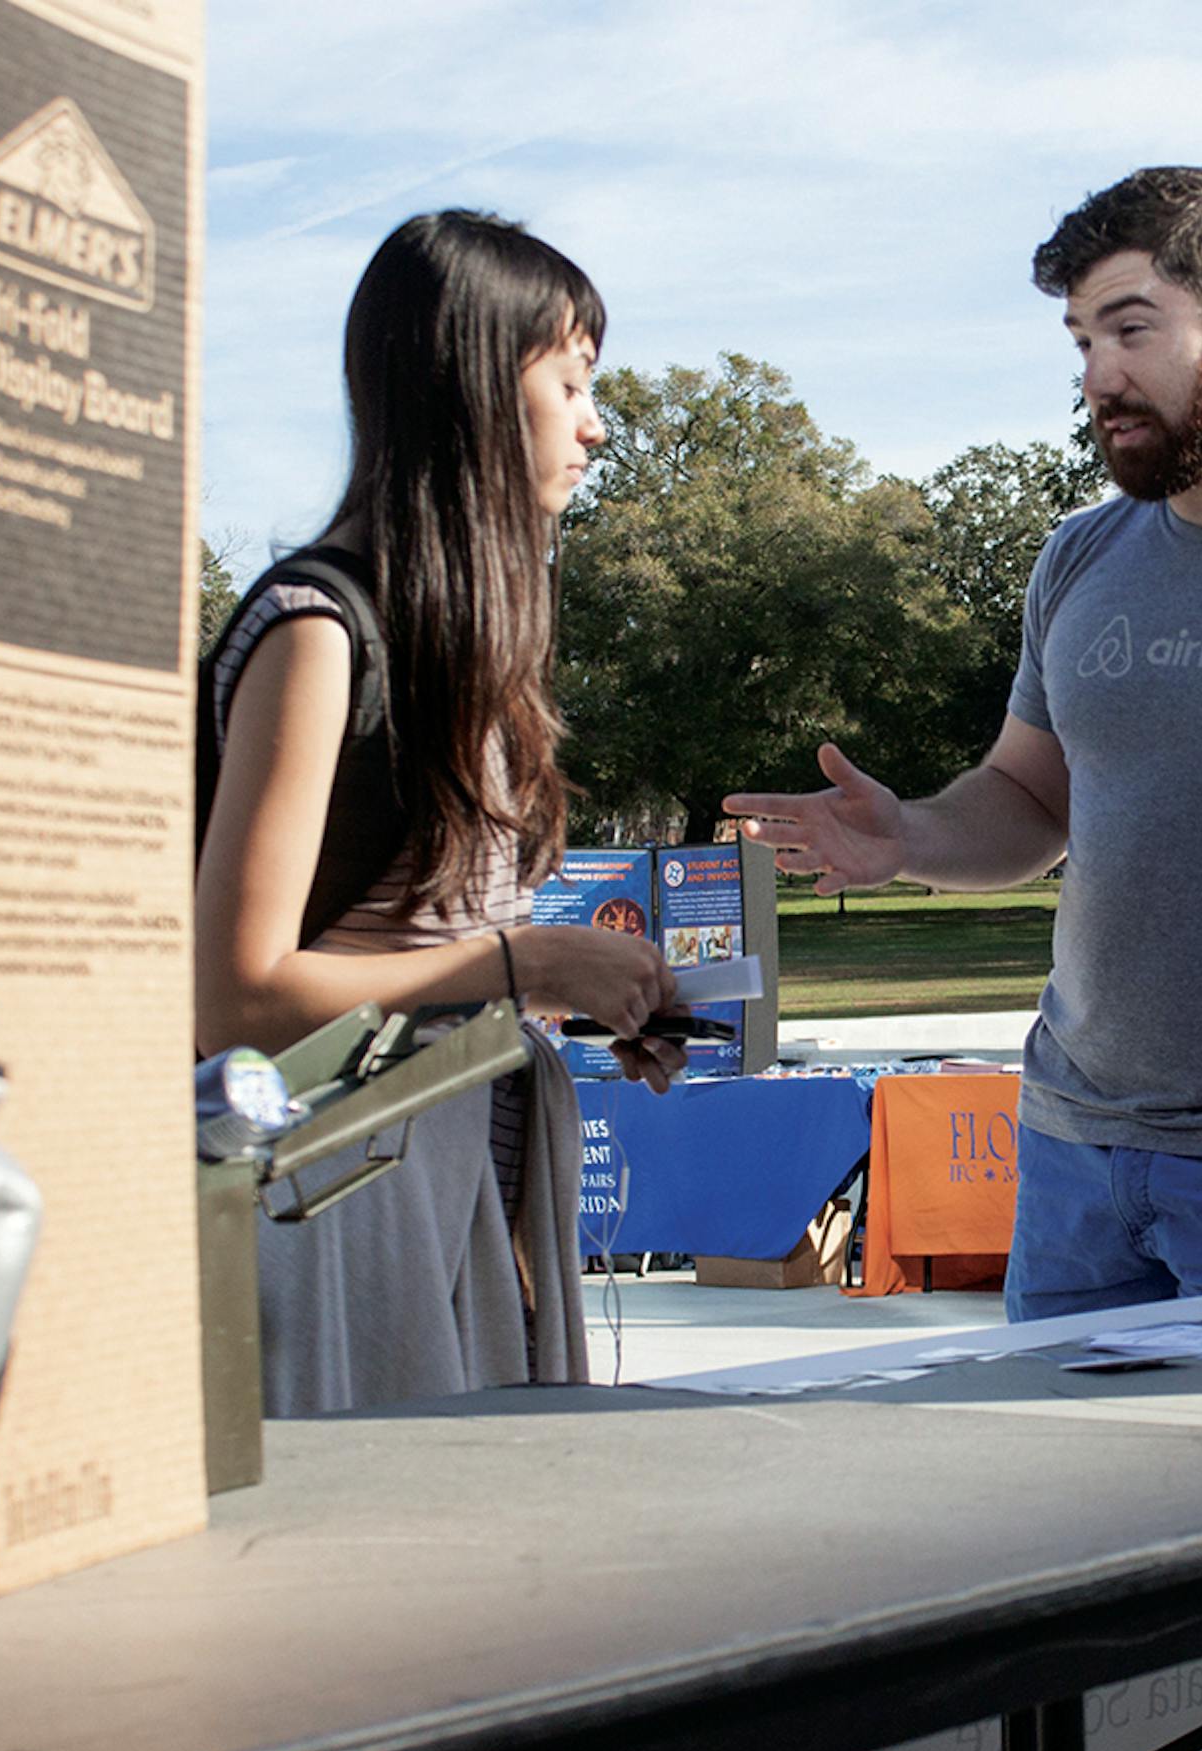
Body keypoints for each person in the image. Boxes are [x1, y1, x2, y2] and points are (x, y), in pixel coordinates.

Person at [726, 167, 1202, 1322]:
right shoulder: (1082, 559)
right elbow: (1029, 799)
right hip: (1070, 1159)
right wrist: (907, 837)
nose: (1099, 377)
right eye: (1083, 340)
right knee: (1054, 1449)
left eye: (1132, 330)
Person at [196, 209, 681, 1413]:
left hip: (449, 1192)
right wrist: (527, 964)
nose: (594, 423)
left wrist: (580, 992)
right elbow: (235, 996)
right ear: (475, 387)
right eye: (571, 381)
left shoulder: (456, 643)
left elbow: (417, 954)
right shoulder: (319, 632)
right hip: (333, 1219)